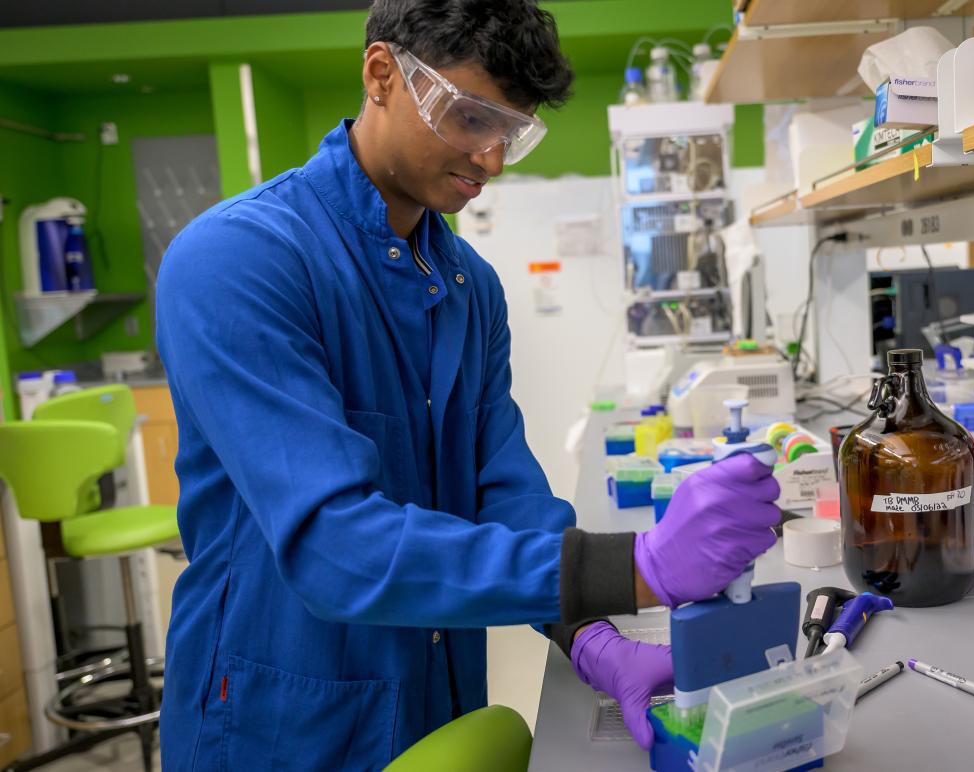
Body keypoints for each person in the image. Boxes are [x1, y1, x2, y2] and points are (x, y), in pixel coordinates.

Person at [153, 0, 781, 768]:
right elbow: (333, 543)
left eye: (511, 131)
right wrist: (633, 567)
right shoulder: (240, 259)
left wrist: (588, 635)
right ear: (382, 74)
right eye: (471, 118)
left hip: (436, 694)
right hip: (284, 717)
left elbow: (504, 494)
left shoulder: (466, 283)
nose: (492, 160)